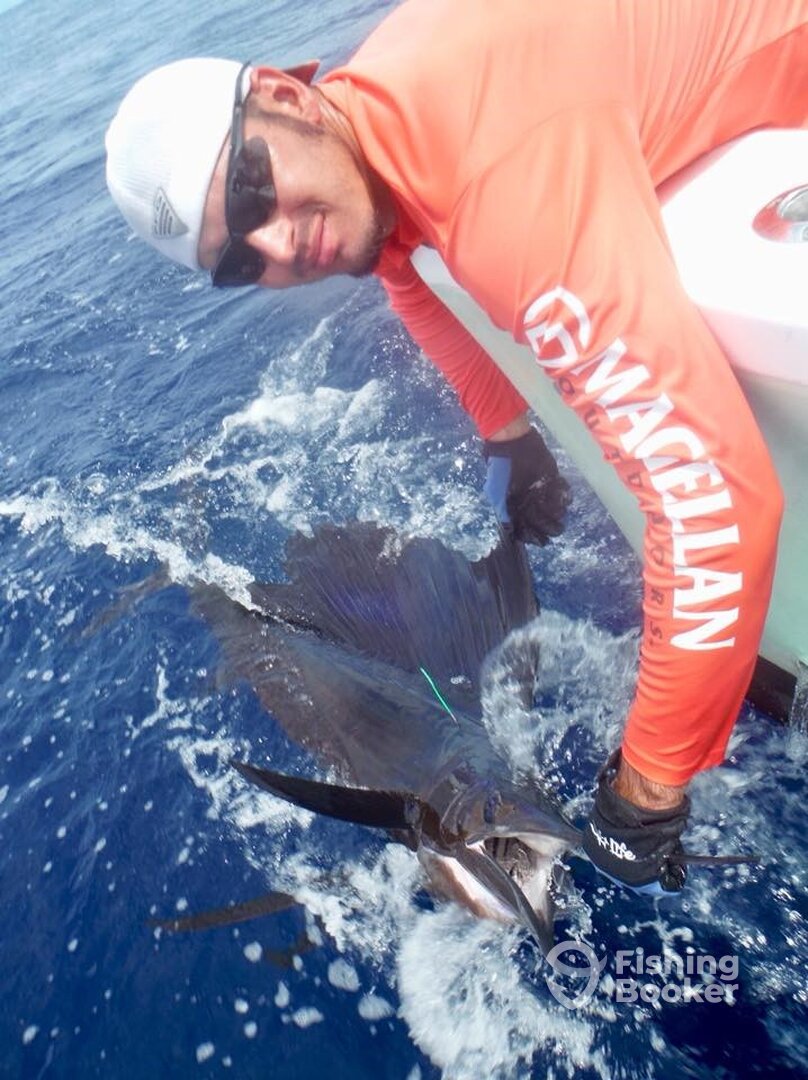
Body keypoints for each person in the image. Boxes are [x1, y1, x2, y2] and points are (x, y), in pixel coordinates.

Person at [105, 0, 808, 895]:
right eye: (241, 260)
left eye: (251, 189)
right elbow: (400, 262)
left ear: (287, 96)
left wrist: (647, 794)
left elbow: (715, 509)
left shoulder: (506, 196)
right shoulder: (375, 111)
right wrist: (506, 430)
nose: (278, 242)